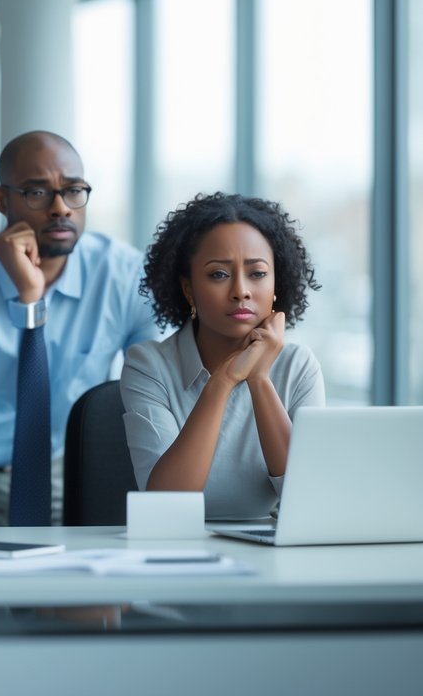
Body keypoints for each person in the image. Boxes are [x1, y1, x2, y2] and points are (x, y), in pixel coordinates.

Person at [0, 130, 159, 526]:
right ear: (1, 200)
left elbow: (161, 388)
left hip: (75, 473)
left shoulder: (123, 275)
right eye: (38, 193)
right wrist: (29, 298)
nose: (61, 208)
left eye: (74, 190)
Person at [122, 193, 324, 520]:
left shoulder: (298, 367)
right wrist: (224, 380)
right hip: (176, 553)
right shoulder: (149, 365)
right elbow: (166, 506)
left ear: (276, 285)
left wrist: (259, 379)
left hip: (270, 556)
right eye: (218, 274)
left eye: (257, 273)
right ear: (189, 289)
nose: (241, 291)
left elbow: (310, 500)